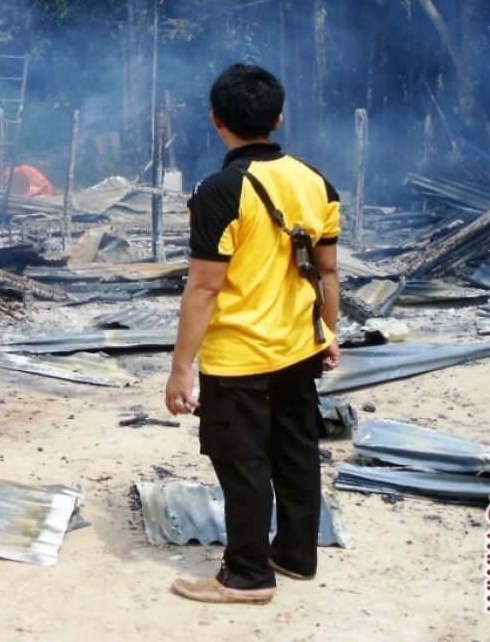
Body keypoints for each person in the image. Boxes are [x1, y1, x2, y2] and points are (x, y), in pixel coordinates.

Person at [164, 63, 341, 605]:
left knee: (242, 461)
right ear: (278, 119)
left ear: (216, 121)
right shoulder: (316, 181)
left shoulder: (220, 191)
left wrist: (180, 367)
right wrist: (329, 333)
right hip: (297, 348)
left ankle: (246, 575)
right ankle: (294, 554)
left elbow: (204, 289)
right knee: (295, 451)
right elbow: (328, 272)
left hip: (239, 356)